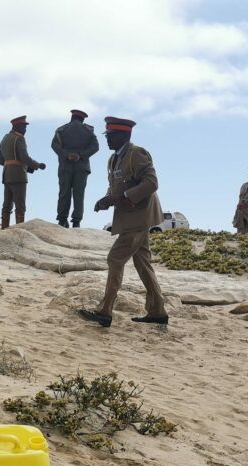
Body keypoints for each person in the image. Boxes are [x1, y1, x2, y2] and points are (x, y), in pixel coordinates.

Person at [78, 117, 168, 328]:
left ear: (125, 135)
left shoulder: (136, 154)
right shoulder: (114, 159)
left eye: (112, 136)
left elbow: (152, 183)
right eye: (107, 135)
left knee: (115, 259)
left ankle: (105, 311)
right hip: (129, 218)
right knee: (143, 264)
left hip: (139, 218)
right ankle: (157, 311)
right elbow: (116, 186)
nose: (108, 139)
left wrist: (122, 198)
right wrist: (107, 199)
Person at [51, 109, 99, 228]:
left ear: (72, 117)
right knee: (79, 194)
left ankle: (62, 219)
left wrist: (67, 155)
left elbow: (54, 145)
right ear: (82, 119)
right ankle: (76, 221)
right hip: (82, 166)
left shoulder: (62, 130)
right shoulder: (88, 131)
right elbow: (95, 147)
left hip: (65, 166)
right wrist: (81, 155)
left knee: (64, 192)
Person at [0, 116, 45, 228]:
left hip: (7, 175)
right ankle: (19, 230)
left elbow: (1, 161)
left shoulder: (4, 138)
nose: (25, 130)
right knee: (20, 206)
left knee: (7, 205)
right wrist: (37, 165)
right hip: (18, 176)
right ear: (17, 126)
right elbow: (25, 157)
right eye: (24, 127)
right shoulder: (19, 138)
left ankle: (4, 228)